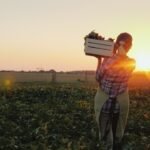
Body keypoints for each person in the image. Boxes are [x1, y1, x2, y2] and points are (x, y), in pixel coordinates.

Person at [94, 32, 136, 150]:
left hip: (105, 105)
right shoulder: (132, 63)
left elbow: (98, 78)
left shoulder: (108, 60)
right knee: (116, 134)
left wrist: (99, 60)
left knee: (106, 138)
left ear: (117, 44)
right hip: (119, 106)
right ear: (130, 46)